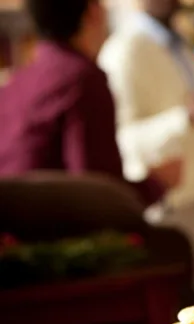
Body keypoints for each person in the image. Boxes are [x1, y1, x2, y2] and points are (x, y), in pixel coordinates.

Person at [98, 0, 194, 302]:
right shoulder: (123, 52)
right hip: (172, 210)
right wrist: (184, 118)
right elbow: (120, 141)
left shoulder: (185, 44)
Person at [0, 0, 181, 204]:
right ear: (93, 13)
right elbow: (98, 192)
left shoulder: (16, 83)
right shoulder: (81, 79)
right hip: (46, 228)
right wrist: (157, 183)